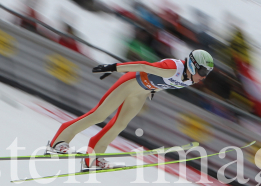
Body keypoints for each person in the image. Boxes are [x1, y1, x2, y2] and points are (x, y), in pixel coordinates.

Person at [47, 49, 215, 170]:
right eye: (202, 71)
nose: (204, 76)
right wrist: (114, 67)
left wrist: (153, 91)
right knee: (99, 115)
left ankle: (93, 158)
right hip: (131, 83)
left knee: (119, 125)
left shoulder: (190, 79)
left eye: (207, 73)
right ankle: (58, 142)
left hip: (142, 92)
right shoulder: (173, 67)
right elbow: (143, 66)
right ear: (193, 65)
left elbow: (167, 83)